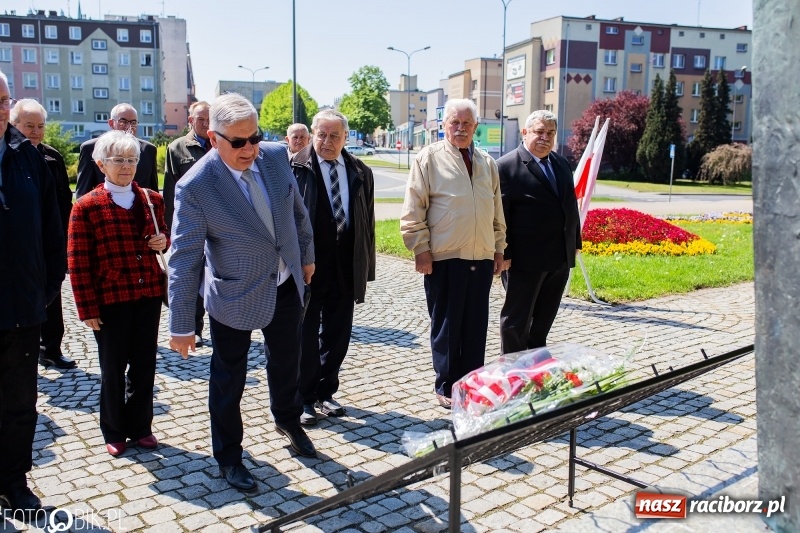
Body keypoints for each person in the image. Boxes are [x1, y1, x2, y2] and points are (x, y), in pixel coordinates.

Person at [168, 93, 316, 493]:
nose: (250, 148)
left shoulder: (274, 156)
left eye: (255, 137)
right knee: (229, 378)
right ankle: (230, 457)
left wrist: (306, 255)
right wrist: (182, 324)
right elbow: (183, 259)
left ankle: (287, 419)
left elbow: (296, 210)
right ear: (214, 139)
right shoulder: (195, 186)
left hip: (285, 283)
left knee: (287, 362)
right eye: (238, 142)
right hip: (234, 295)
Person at [400, 98, 507, 409]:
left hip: (482, 257)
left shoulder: (487, 163)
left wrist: (499, 248)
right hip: (445, 257)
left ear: (476, 127)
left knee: (475, 324)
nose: (461, 128)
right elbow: (413, 209)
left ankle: (472, 382)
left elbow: (496, 211)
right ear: (443, 125)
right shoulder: (428, 158)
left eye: (467, 123)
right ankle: (446, 384)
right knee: (447, 323)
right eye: (454, 123)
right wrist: (420, 248)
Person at [67, 130, 168, 457]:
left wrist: (161, 241)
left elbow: (162, 235)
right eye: (118, 160)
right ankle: (113, 428)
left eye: (131, 160)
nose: (126, 167)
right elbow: (78, 262)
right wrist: (87, 309)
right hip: (110, 299)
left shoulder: (152, 200)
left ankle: (141, 426)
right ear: (101, 164)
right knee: (113, 368)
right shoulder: (86, 207)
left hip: (148, 294)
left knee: (144, 364)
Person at [0, 70, 65, 517]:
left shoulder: (28, 155)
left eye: (3, 99)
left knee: (20, 403)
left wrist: (48, 284)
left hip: (22, 305)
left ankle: (13, 481)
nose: (0, 108)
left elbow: (51, 227)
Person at [291, 110, 375, 426]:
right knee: (305, 333)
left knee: (338, 334)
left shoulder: (360, 171)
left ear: (345, 138)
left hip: (344, 265)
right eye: (322, 134)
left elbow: (368, 224)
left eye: (334, 136)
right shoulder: (295, 167)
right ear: (313, 134)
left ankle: (326, 391)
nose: (327, 142)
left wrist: (365, 268)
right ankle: (303, 397)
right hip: (308, 265)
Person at [497, 110, 581, 353]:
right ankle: (513, 370)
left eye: (551, 133)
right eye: (539, 132)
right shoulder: (506, 166)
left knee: (544, 318)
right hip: (524, 260)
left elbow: (569, 204)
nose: (545, 137)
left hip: (559, 257)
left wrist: (574, 242)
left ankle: (535, 364)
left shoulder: (561, 163)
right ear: (525, 133)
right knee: (517, 320)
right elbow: (500, 215)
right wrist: (505, 252)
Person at [10, 99, 76, 370]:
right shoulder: (9, 157)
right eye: (29, 126)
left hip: (50, 239)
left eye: (40, 126)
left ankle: (50, 348)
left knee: (53, 293)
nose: (36, 132)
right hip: (21, 242)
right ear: (14, 126)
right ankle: (23, 352)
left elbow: (64, 200)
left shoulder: (52, 157)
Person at [163, 101, 211, 348]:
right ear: (190, 120)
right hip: (191, 223)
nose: (205, 123)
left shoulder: (220, 143)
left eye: (209, 119)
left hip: (217, 223)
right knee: (191, 274)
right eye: (200, 119)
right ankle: (194, 326)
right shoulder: (177, 148)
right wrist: (172, 228)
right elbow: (171, 191)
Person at [75, 103, 158, 198]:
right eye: (123, 122)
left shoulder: (148, 150)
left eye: (133, 122)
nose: (129, 127)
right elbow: (83, 192)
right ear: (111, 123)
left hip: (141, 209)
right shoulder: (90, 148)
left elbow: (153, 190)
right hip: (104, 208)